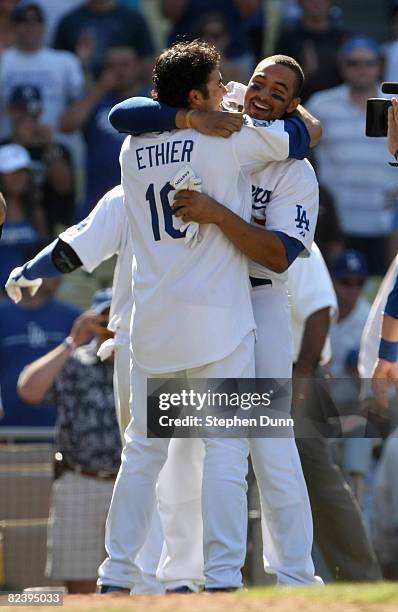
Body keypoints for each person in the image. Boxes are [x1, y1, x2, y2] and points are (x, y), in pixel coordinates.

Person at [100, 40, 319, 593]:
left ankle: (293, 575)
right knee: (198, 450)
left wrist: (218, 210)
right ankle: (193, 576)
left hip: (250, 302)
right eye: (256, 83)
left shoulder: (145, 145)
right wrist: (194, 116)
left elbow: (277, 253)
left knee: (264, 445)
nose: (259, 94)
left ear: (294, 103)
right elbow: (126, 111)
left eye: (281, 92)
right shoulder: (227, 129)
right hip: (216, 309)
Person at [287, 244, 381, 581]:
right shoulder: (226, 227)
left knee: (320, 481)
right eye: (347, 280)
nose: (352, 288)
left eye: (359, 281)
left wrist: (302, 378)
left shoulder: (296, 239)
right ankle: (219, 578)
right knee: (229, 474)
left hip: (295, 374)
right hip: (243, 370)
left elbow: (317, 310)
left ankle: (363, 579)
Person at [17, 290, 122, 593]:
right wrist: (71, 342)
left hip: (134, 486)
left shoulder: (145, 364)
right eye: (105, 317)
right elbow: (28, 390)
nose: (111, 325)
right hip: (80, 482)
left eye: (118, 317)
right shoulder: (74, 362)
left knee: (139, 584)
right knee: (81, 589)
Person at [306, 36, 397, 276]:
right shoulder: (320, 105)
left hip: (384, 227)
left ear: (380, 64)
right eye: (353, 62)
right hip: (335, 230)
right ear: (342, 65)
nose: (361, 68)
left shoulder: (396, 105)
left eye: (368, 62)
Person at [60, 46, 144, 217]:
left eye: (125, 65)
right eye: (112, 66)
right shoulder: (96, 100)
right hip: (96, 203)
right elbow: (67, 125)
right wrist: (99, 89)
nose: (119, 71)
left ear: (136, 68)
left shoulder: (149, 100)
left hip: (140, 202)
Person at [0, 266, 79, 428]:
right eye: (51, 268)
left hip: (60, 432)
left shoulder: (73, 317)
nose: (59, 277)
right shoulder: (2, 314)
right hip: (8, 433)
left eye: (60, 270)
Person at [0, 2, 85, 141]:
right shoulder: (3, 60)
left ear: (44, 26)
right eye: (23, 20)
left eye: (36, 20)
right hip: (9, 149)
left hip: (56, 145)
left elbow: (81, 100)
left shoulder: (65, 61)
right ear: (13, 26)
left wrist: (85, 66)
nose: (30, 26)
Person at [53, 0, 154, 81]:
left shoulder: (133, 19)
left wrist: (123, 69)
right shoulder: (69, 22)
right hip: (83, 93)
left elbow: (147, 62)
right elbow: (58, 67)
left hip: (127, 95)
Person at [274, 0, 350, 102]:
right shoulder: (288, 38)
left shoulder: (344, 38)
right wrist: (305, 72)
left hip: (340, 105)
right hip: (299, 105)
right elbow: (277, 82)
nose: (316, 2)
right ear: (300, 3)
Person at [0, 144, 47, 290]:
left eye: (23, 171)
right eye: (12, 171)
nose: (19, 177)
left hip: (26, 295)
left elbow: (42, 255)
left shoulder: (36, 212)